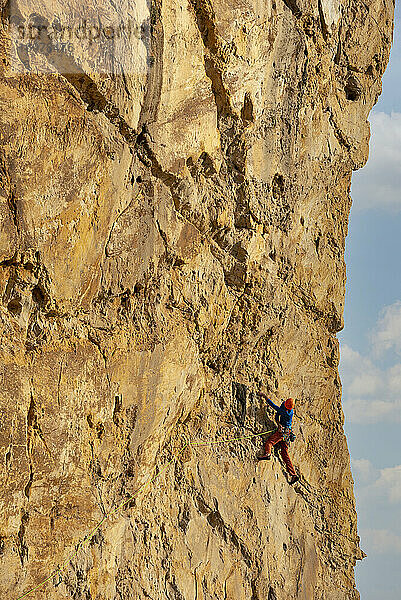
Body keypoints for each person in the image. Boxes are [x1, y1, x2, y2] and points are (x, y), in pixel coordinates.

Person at [257, 393, 299, 485]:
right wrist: (278, 422)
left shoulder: (286, 412)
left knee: (270, 442)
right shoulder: (290, 410)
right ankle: (293, 474)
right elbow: (278, 412)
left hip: (282, 432)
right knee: (284, 454)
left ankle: (267, 454)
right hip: (287, 433)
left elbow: (274, 407)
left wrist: (265, 396)